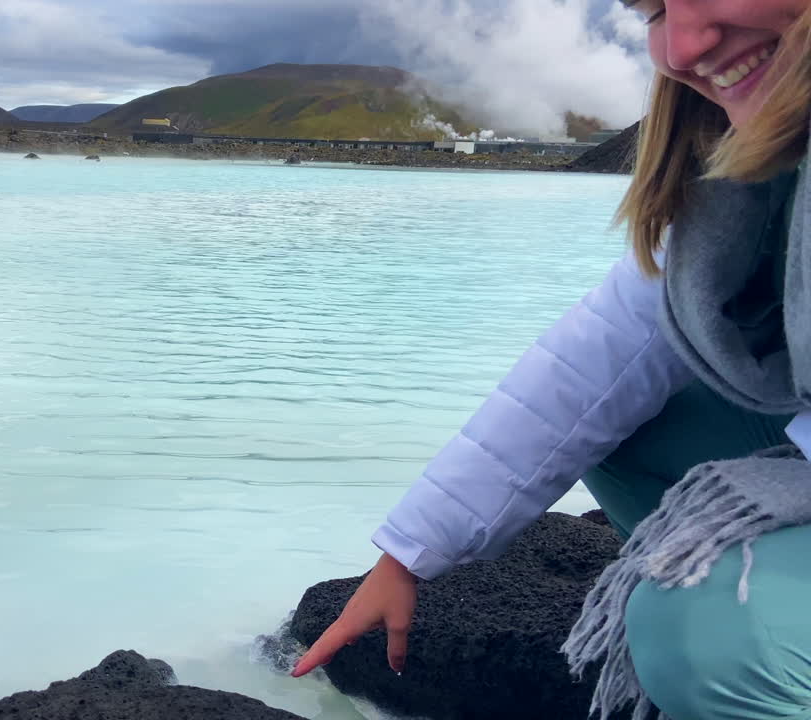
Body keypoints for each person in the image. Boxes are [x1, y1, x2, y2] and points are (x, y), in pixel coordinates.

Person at [292, 2, 811, 719]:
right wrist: (408, 554)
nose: (687, 44)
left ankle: (748, 654)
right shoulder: (741, 195)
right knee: (635, 416)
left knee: (697, 632)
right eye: (657, 9)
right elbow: (588, 369)